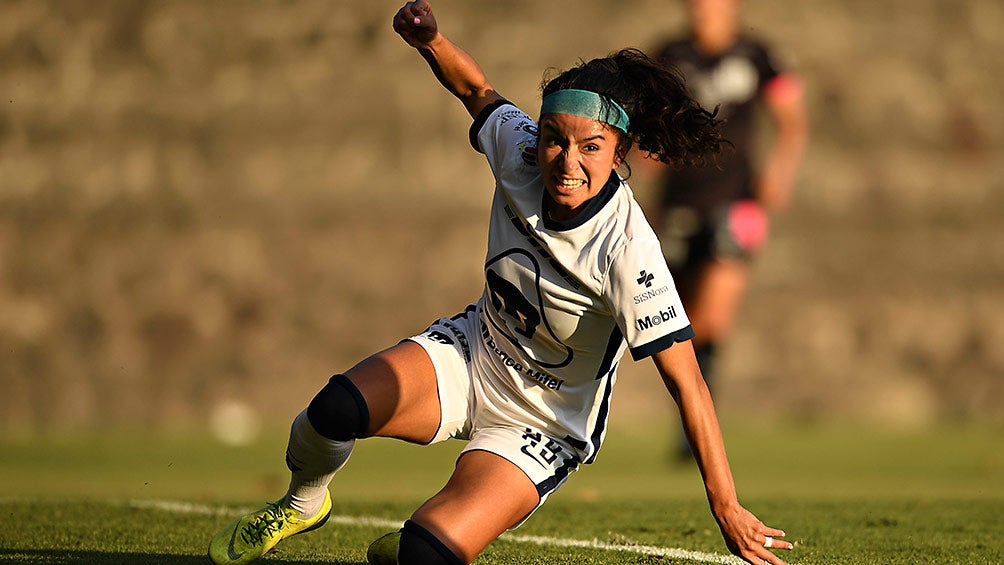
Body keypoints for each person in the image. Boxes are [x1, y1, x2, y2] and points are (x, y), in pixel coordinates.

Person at [207, 1, 794, 564]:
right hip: (473, 355)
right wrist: (430, 40)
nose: (567, 161)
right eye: (554, 139)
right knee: (333, 410)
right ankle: (302, 504)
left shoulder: (628, 251)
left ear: (620, 151)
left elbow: (689, 382)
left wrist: (725, 505)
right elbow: (475, 90)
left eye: (591, 147)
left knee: (423, 553)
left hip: (541, 424)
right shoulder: (518, 152)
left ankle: (424, 541)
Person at [644, 0, 808, 457]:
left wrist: (779, 172)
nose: (704, 10)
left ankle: (693, 431)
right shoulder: (669, 55)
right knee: (679, 319)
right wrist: (647, 152)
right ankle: (691, 412)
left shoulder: (758, 55)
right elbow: (644, 120)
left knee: (715, 315)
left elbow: (792, 121)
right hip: (676, 203)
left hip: (737, 203)